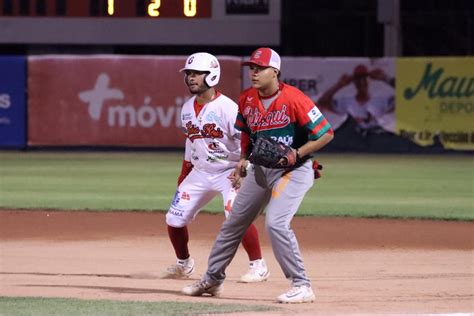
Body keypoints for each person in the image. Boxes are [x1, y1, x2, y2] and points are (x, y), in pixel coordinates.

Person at [182, 48, 334, 303]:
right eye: (251, 68)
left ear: (274, 72)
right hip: (262, 168)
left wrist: (298, 152)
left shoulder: (294, 98)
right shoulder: (246, 99)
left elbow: (326, 133)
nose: (254, 73)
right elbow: (245, 132)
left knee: (275, 223)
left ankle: (302, 285)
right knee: (234, 223)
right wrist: (243, 158)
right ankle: (212, 279)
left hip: (294, 171)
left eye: (260, 68)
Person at [161, 52, 269, 283]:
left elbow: (249, 140)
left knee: (236, 215)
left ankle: (258, 266)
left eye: (197, 74)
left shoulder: (228, 108)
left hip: (229, 171)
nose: (191, 78)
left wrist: (244, 167)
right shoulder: (187, 108)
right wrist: (184, 174)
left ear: (211, 76)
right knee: (174, 219)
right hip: (200, 172)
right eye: (188, 74)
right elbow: (191, 142)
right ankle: (184, 264)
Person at [317, 64, 395, 134]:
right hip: (355, 137)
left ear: (369, 80)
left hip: (382, 135)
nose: (361, 82)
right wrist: (339, 85)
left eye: (364, 78)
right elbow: (322, 102)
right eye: (358, 79)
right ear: (354, 82)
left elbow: (405, 97)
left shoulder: (382, 99)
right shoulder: (347, 101)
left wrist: (386, 78)